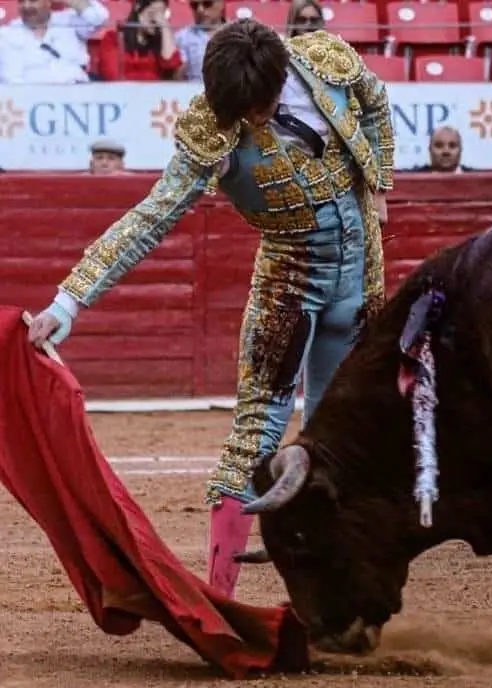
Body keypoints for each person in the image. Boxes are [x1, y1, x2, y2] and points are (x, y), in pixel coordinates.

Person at [26, 19, 396, 600]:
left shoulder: (323, 59)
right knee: (256, 433)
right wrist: (69, 300)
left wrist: (378, 181)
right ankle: (219, 596)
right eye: (240, 111)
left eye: (260, 106)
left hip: (362, 278)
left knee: (340, 440)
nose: (251, 121)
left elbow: (375, 100)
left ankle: (331, 595)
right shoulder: (211, 128)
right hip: (289, 283)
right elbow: (151, 218)